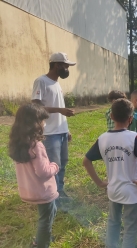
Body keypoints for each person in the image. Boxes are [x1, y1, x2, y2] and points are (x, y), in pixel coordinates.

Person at [83, 98, 137, 248]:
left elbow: (86, 161)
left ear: (111, 116)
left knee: (113, 222)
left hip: (113, 189)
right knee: (130, 227)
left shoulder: (102, 139)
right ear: (130, 119)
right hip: (132, 192)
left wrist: (99, 182)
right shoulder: (134, 137)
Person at [8, 103, 59, 248]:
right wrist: (54, 166)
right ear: (35, 123)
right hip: (43, 191)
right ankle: (41, 243)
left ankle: (44, 236)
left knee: (50, 212)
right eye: (42, 121)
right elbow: (43, 172)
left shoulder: (18, 143)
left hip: (29, 190)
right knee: (46, 219)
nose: (44, 124)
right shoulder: (36, 145)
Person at [31, 52, 76, 206]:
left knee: (62, 163)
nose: (67, 69)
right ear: (57, 65)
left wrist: (66, 129)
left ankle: (59, 191)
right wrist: (59, 110)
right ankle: (53, 197)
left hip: (61, 131)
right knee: (53, 165)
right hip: (49, 134)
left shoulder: (57, 83)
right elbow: (36, 106)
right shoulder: (41, 81)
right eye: (65, 66)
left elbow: (60, 108)